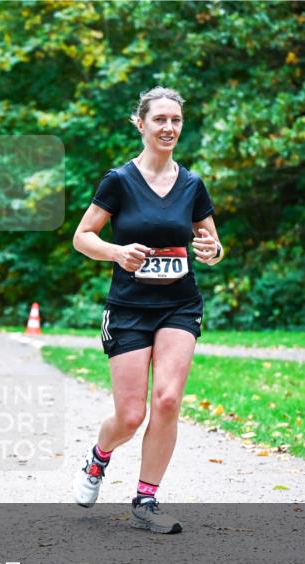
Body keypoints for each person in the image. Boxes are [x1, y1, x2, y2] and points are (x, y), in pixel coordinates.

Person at [70, 87, 224, 534]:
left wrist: (212, 250)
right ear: (141, 124)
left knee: (169, 400)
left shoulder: (192, 184)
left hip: (179, 304)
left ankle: (146, 500)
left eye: (175, 120)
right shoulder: (119, 180)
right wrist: (117, 252)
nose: (168, 127)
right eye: (159, 119)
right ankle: (99, 459)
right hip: (129, 308)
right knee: (131, 415)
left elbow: (213, 247)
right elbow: (83, 237)